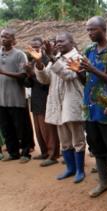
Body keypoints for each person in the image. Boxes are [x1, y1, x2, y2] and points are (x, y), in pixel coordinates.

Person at [71, 16, 107, 205]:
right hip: (90, 108)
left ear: (103, 29)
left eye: (92, 29)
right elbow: (87, 81)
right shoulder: (89, 50)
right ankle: (104, 182)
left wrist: (92, 69)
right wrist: (80, 74)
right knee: (96, 146)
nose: (89, 33)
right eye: (87, 30)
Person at [31, 32, 86, 183]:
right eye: (57, 41)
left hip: (72, 103)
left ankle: (80, 170)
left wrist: (52, 58)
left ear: (71, 42)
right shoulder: (56, 58)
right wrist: (40, 64)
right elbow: (44, 79)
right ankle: (70, 168)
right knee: (65, 140)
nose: (58, 44)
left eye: (62, 41)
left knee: (78, 140)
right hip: (58, 104)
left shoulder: (77, 58)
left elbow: (68, 75)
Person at [24, 37, 60, 167]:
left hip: (45, 98)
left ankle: (53, 154)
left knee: (48, 129)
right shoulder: (32, 61)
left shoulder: (46, 61)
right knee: (39, 129)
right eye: (32, 47)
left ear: (43, 47)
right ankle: (44, 151)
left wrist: (32, 74)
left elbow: (45, 82)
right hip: (35, 99)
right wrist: (28, 74)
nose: (35, 49)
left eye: (37, 46)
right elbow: (28, 84)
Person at [0, 28, 32, 162]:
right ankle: (13, 153)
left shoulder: (19, 54)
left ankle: (25, 153)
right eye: (2, 36)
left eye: (7, 36)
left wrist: (4, 72)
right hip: (1, 99)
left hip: (16, 98)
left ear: (13, 40)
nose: (3, 39)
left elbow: (23, 74)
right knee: (6, 128)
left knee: (21, 127)